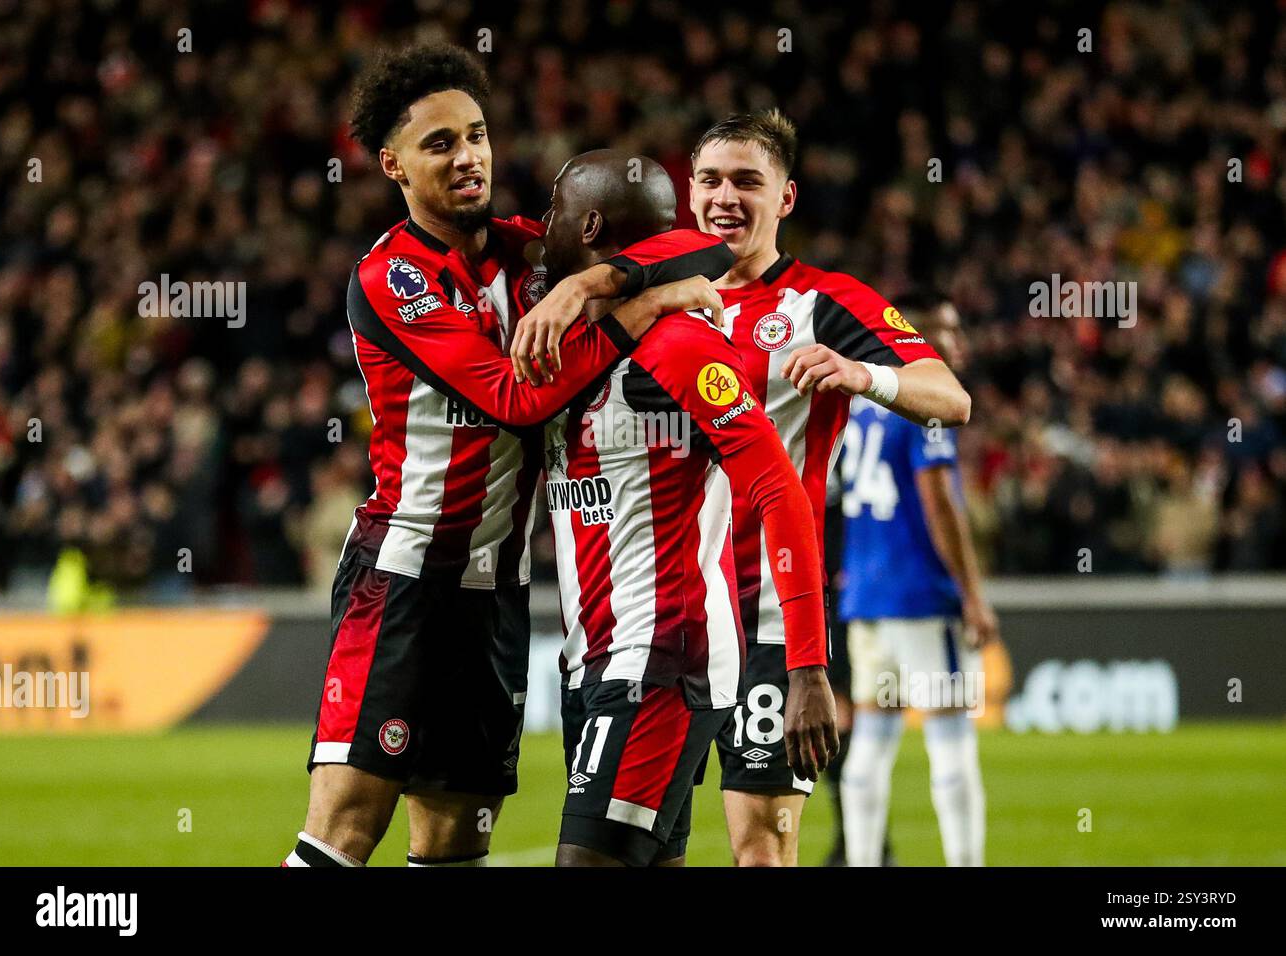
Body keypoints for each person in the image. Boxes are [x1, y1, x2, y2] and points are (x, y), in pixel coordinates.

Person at [285, 44, 732, 869]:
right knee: (346, 829)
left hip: (498, 598)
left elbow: (691, 244)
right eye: (441, 143)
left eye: (478, 135)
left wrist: (589, 285)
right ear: (392, 165)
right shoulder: (394, 280)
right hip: (407, 580)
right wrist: (644, 306)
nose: (469, 158)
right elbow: (515, 396)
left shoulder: (532, 254)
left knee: (457, 838)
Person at [540, 149, 838, 867]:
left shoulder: (679, 345)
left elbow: (778, 488)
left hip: (662, 654)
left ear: (588, 226)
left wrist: (807, 667)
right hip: (594, 658)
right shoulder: (570, 327)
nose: (538, 224)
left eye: (552, 211)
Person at [687, 110, 971, 865]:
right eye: (711, 179)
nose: (726, 197)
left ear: (785, 198)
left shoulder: (826, 301)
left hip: (772, 622)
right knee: (642, 844)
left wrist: (861, 374)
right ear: (688, 194)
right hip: (667, 614)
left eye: (749, 181)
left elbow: (950, 395)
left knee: (762, 851)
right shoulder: (662, 303)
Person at [838, 290, 999, 867]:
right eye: (947, 331)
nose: (958, 343)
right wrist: (973, 595)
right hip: (920, 596)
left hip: (866, 597)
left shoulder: (860, 404)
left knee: (872, 747)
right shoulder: (927, 406)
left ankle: (860, 860)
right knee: (951, 741)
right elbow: (939, 503)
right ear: (918, 337)